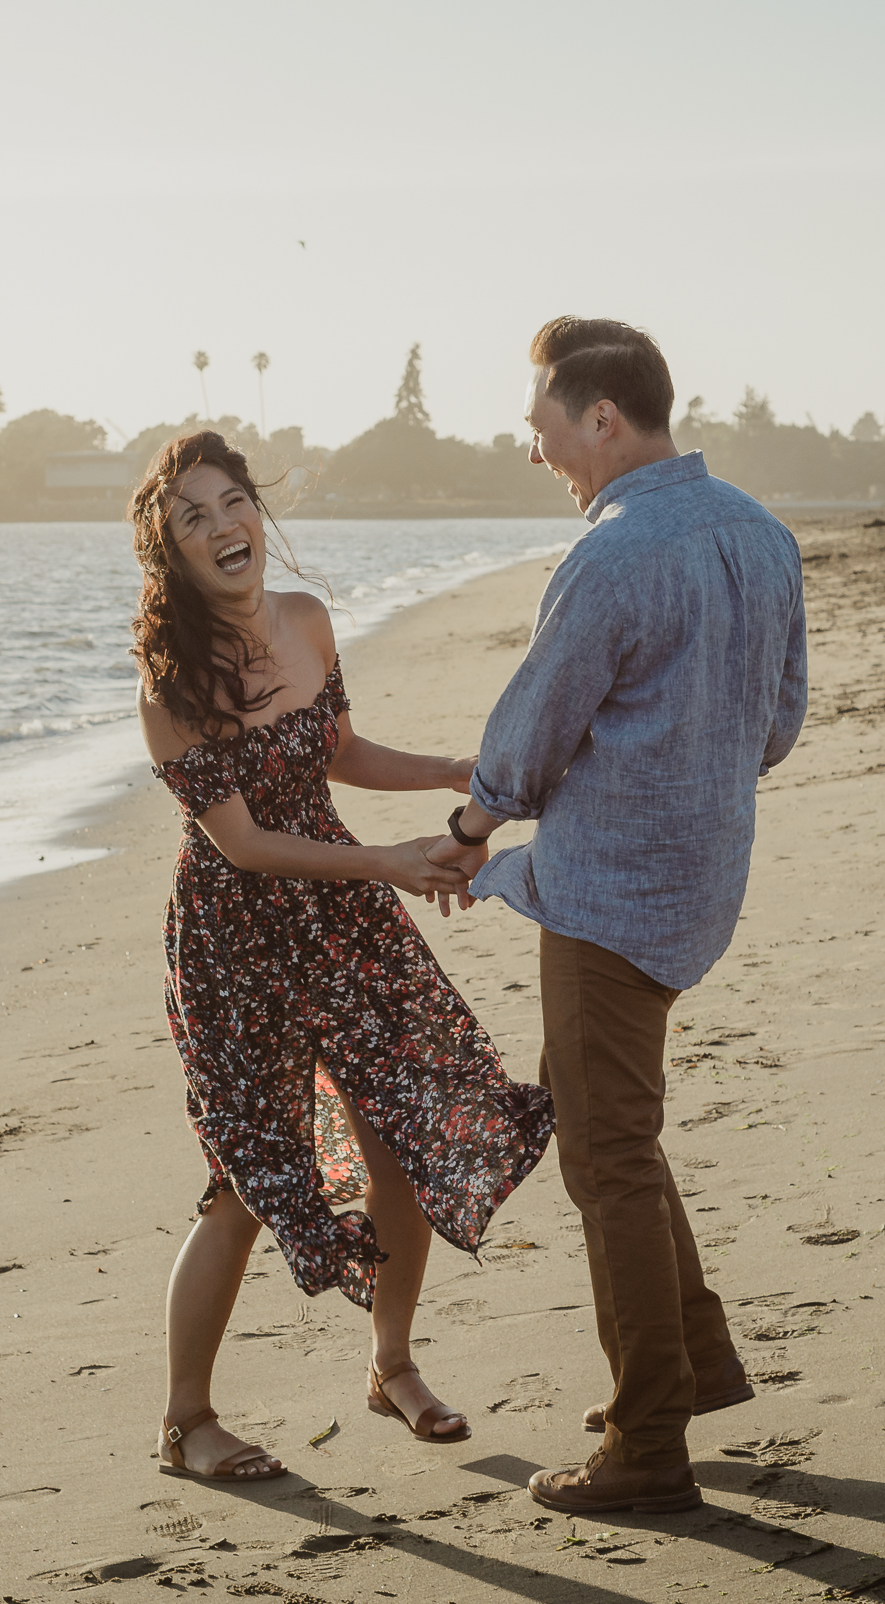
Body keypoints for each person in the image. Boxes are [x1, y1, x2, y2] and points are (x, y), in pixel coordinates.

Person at [428, 318, 808, 1514]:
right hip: (702, 879)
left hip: (612, 893)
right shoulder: (760, 529)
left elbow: (530, 738)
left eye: (543, 432)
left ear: (602, 419)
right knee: (618, 1133)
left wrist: (470, 833)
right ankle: (692, 1365)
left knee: (606, 1154)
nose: (538, 457)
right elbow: (782, 720)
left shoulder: (611, 555)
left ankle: (649, 1444)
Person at [132, 429, 555, 1483]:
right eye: (193, 516)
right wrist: (387, 862)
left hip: (343, 917)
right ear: (171, 552)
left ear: (255, 512)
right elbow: (241, 843)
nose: (223, 525)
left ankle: (392, 1366)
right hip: (237, 944)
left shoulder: (308, 623)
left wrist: (461, 769)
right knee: (240, 1180)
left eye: (231, 501)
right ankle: (186, 1421)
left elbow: (341, 752)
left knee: (398, 1139)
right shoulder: (172, 687)